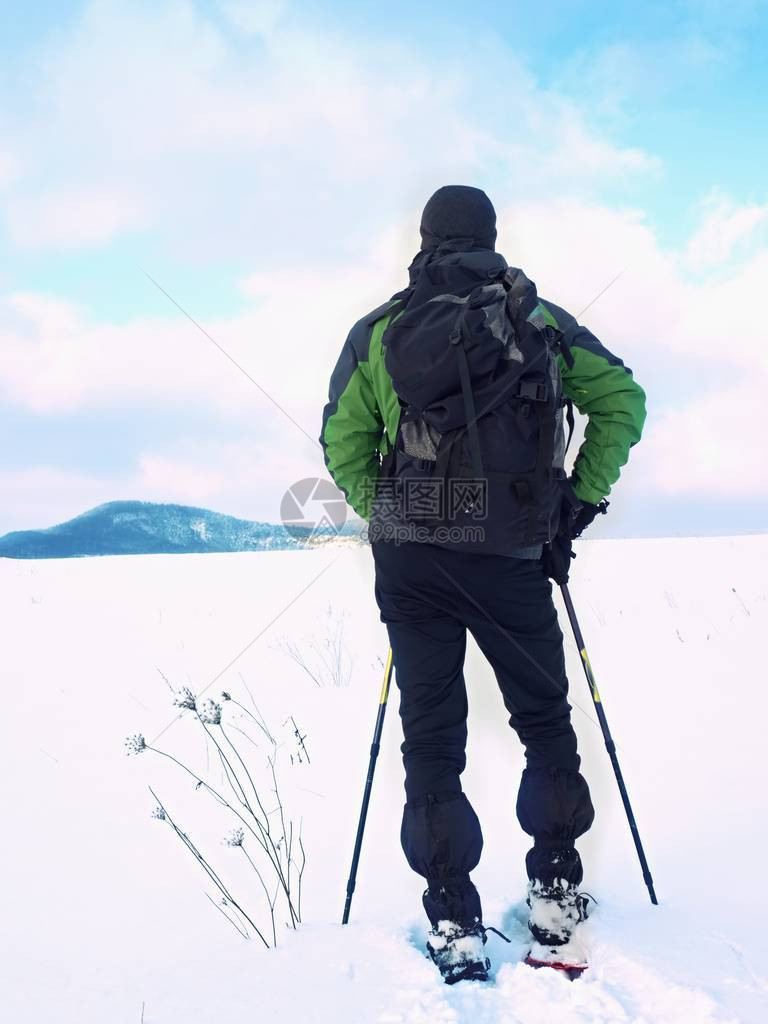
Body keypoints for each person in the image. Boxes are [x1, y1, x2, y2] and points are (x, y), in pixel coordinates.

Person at [320, 186, 646, 983]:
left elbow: (343, 445)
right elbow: (623, 403)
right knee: (544, 722)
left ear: (425, 239)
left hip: (414, 561)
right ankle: (556, 894)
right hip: (510, 555)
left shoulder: (379, 332)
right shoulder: (537, 320)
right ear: (490, 237)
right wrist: (574, 505)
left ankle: (454, 921)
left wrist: (396, 512)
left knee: (432, 739)